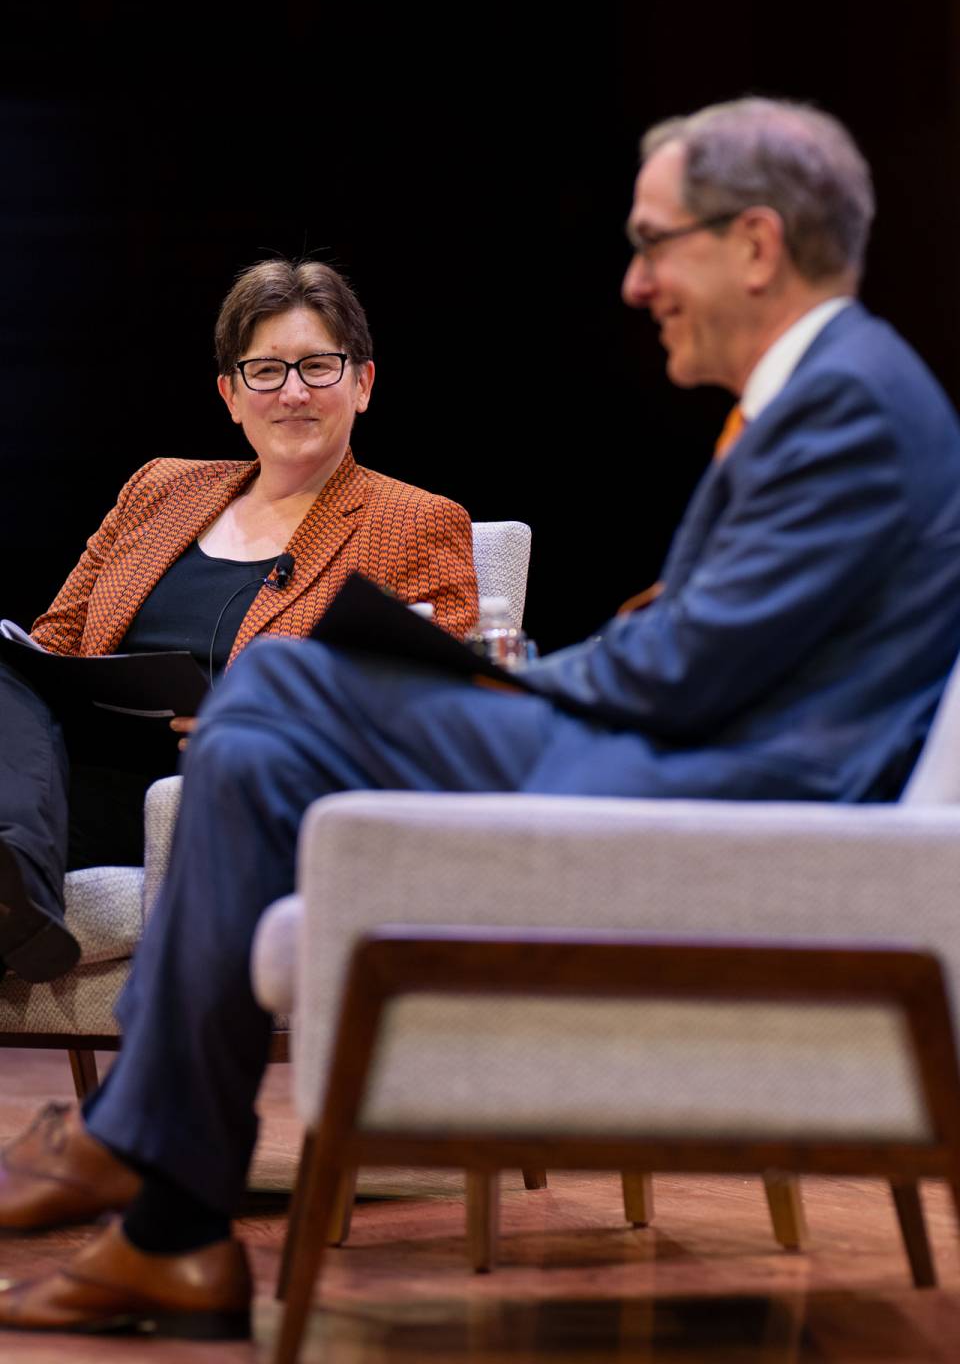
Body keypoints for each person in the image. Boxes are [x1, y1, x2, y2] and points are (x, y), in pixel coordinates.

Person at [2, 96, 960, 1338]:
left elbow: (690, 672)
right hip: (688, 753)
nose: (636, 283)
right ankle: (171, 1220)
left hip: (713, 793)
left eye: (654, 242)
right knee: (273, 709)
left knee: (276, 694)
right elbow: (713, 647)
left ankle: (152, 1172)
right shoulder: (840, 391)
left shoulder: (849, 404)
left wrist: (512, 679)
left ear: (757, 244)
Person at [0, 258, 477, 986]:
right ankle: (16, 886)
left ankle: (13, 887)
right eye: (265, 371)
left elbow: (439, 714)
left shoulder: (413, 523)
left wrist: (267, 718)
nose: (292, 392)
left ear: (362, 383)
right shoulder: (159, 489)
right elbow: (52, 645)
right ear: (230, 394)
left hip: (221, 794)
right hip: (69, 777)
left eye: (318, 366)